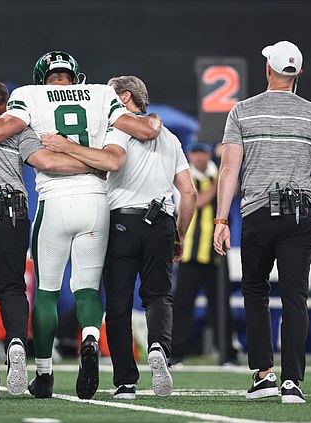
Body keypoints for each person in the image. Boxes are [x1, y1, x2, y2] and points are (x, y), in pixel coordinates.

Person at [0, 51, 161, 400]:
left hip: (55, 199)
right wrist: (92, 161)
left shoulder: (29, 94)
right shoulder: (102, 93)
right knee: (87, 288)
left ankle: (44, 374)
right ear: (76, 75)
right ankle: (89, 334)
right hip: (95, 201)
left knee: (47, 291)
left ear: (43, 76)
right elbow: (148, 128)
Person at [42, 75, 196, 399]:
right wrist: (179, 233)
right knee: (158, 296)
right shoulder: (169, 137)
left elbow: (108, 161)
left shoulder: (117, 129)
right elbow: (189, 193)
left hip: (122, 220)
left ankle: (125, 380)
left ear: (125, 98)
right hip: (162, 220)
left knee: (119, 304)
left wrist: (67, 147)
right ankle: (158, 347)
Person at [0, 78, 95, 400]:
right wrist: (94, 165)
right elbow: (48, 162)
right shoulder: (18, 131)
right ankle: (15, 340)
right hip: (12, 213)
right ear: (6, 105)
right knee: (12, 288)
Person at [213, 40, 311, 404]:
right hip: (301, 215)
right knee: (294, 297)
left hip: (257, 214)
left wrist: (221, 219)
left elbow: (228, 171)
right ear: (298, 73)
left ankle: (264, 375)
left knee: (255, 292)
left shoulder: (242, 111)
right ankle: (292, 383)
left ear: (268, 69)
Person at [171, 143, 239, 366]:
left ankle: (226, 353)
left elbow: (235, 186)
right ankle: (176, 353)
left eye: (203, 152)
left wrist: (224, 171)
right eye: (195, 153)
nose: (199, 157)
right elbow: (196, 201)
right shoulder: (184, 176)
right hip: (189, 253)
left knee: (221, 306)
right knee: (182, 305)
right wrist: (221, 182)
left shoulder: (219, 174)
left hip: (216, 253)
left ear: (208, 154)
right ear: (190, 155)